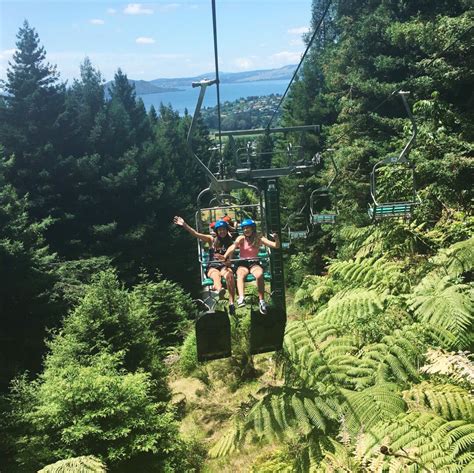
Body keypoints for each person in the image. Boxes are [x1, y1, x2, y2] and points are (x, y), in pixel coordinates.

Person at [174, 216, 236, 315]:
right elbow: (195, 234)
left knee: (229, 275)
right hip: (212, 267)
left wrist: (224, 259)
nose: (222, 232)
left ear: (226, 230)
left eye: (223, 230)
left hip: (224, 266)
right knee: (216, 276)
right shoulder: (211, 239)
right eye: (219, 230)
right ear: (216, 231)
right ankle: (220, 290)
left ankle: (232, 303)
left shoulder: (230, 243)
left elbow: (230, 262)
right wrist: (184, 225)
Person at [223, 218, 279, 315]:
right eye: (244, 228)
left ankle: (261, 301)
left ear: (252, 228)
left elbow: (275, 246)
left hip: (254, 262)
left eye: (248, 228)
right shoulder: (241, 238)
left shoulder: (258, 238)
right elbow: (233, 246)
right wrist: (225, 256)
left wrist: (276, 239)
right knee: (240, 274)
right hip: (243, 263)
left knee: (259, 274)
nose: (246, 230)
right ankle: (241, 298)